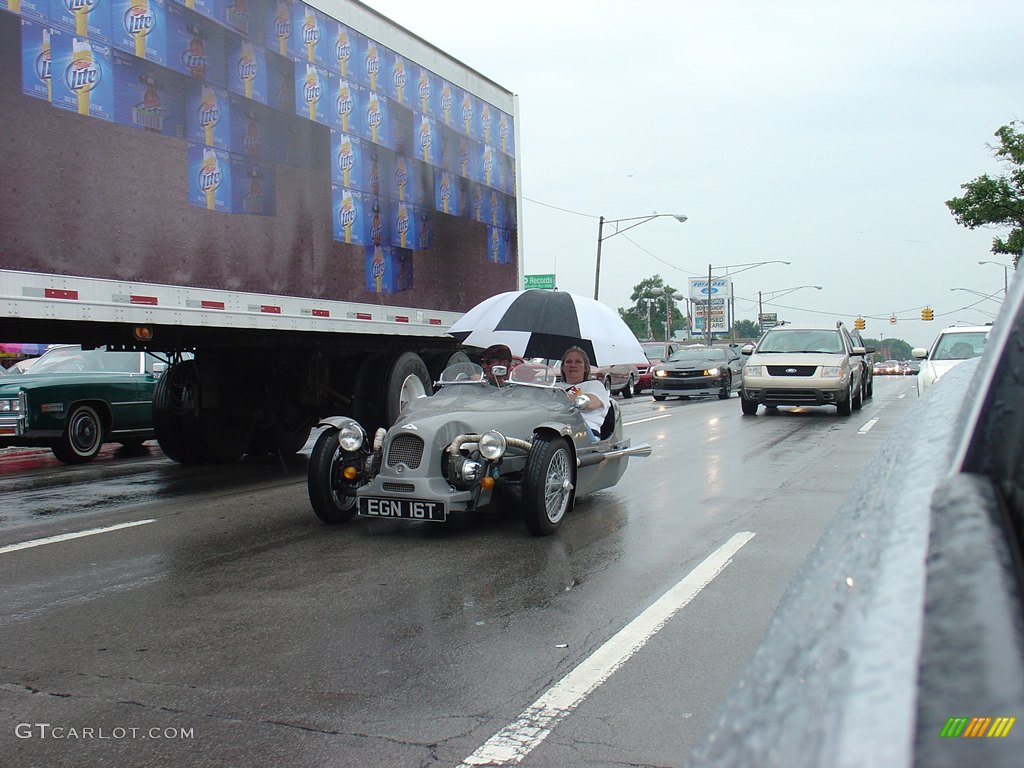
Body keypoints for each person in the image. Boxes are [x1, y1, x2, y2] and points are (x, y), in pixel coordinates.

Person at [560, 346, 610, 441]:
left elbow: (591, 403)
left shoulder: (594, 385)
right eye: (568, 361)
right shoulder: (555, 386)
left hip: (584, 431)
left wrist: (557, 396)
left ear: (586, 368)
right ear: (563, 367)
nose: (573, 365)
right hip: (554, 427)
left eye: (578, 362)